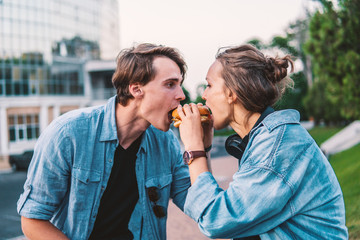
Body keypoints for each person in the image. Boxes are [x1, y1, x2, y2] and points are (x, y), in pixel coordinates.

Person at [17, 43, 191, 240]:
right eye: (170, 84)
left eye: (180, 84)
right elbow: (32, 220)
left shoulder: (165, 141)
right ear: (136, 89)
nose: (181, 95)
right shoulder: (67, 133)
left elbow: (198, 205)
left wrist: (200, 146)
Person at [176, 44, 348, 239]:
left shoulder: (277, 148)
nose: (204, 96)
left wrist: (194, 148)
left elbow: (215, 219)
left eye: (209, 85)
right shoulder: (266, 139)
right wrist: (204, 148)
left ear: (232, 92)